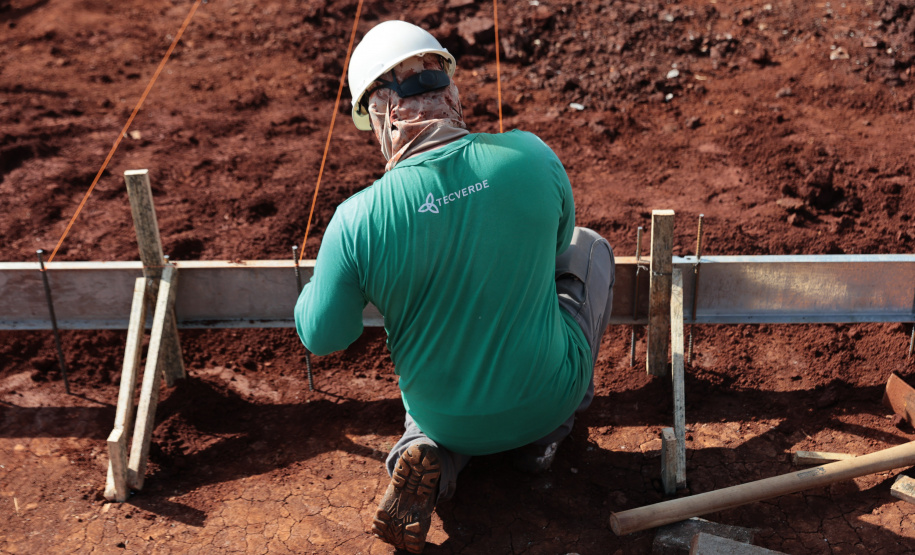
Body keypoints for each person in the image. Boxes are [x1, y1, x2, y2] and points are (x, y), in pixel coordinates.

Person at [294, 20, 615, 554]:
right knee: (589, 247)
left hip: (448, 416)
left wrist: (333, 272)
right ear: (449, 89)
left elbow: (322, 336)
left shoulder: (356, 220)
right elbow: (560, 241)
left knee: (439, 417)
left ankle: (427, 455)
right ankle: (545, 440)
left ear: (378, 114)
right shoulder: (531, 156)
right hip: (545, 395)